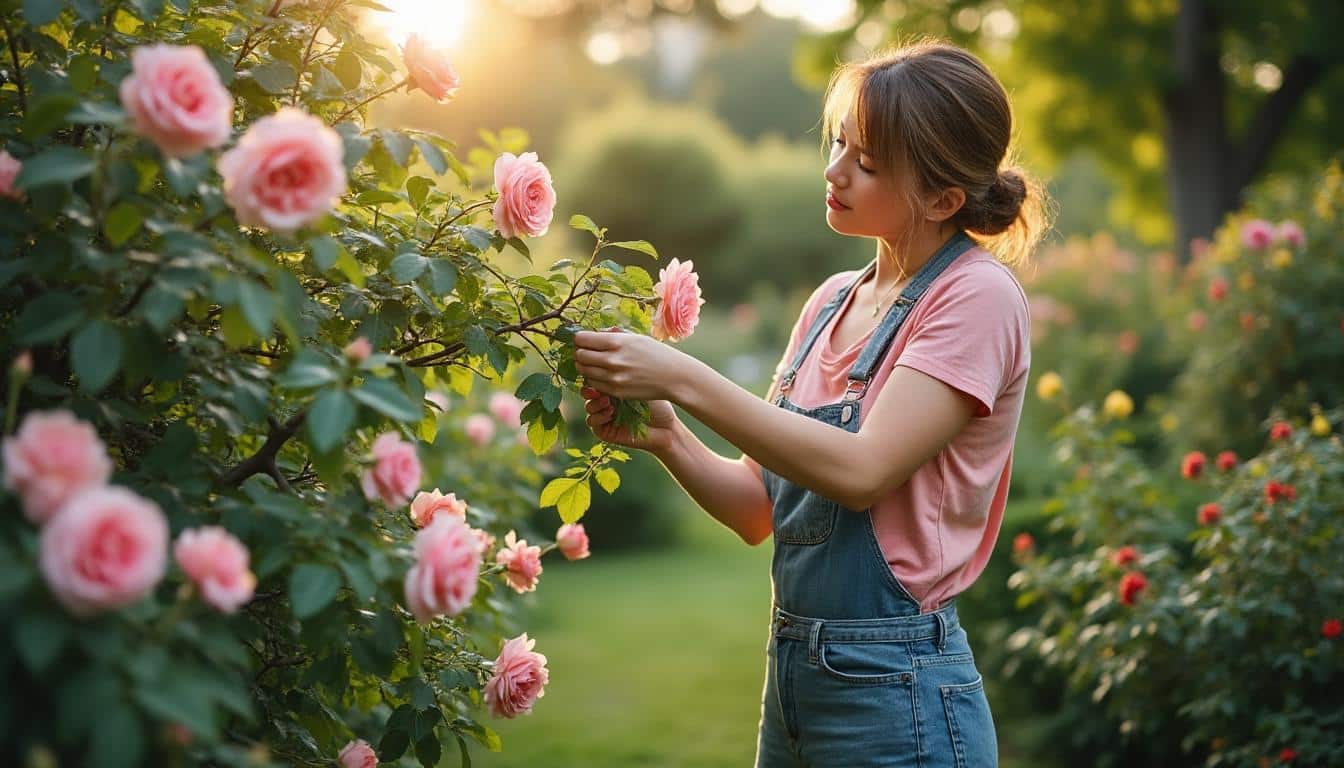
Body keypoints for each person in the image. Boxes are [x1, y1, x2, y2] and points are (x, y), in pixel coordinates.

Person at [572, 38, 1045, 768]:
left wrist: (681, 377)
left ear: (943, 198)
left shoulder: (976, 297)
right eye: (838, 143)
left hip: (898, 693)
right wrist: (669, 437)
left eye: (868, 163)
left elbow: (861, 471)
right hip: (793, 675)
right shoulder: (831, 302)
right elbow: (759, 510)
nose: (834, 171)